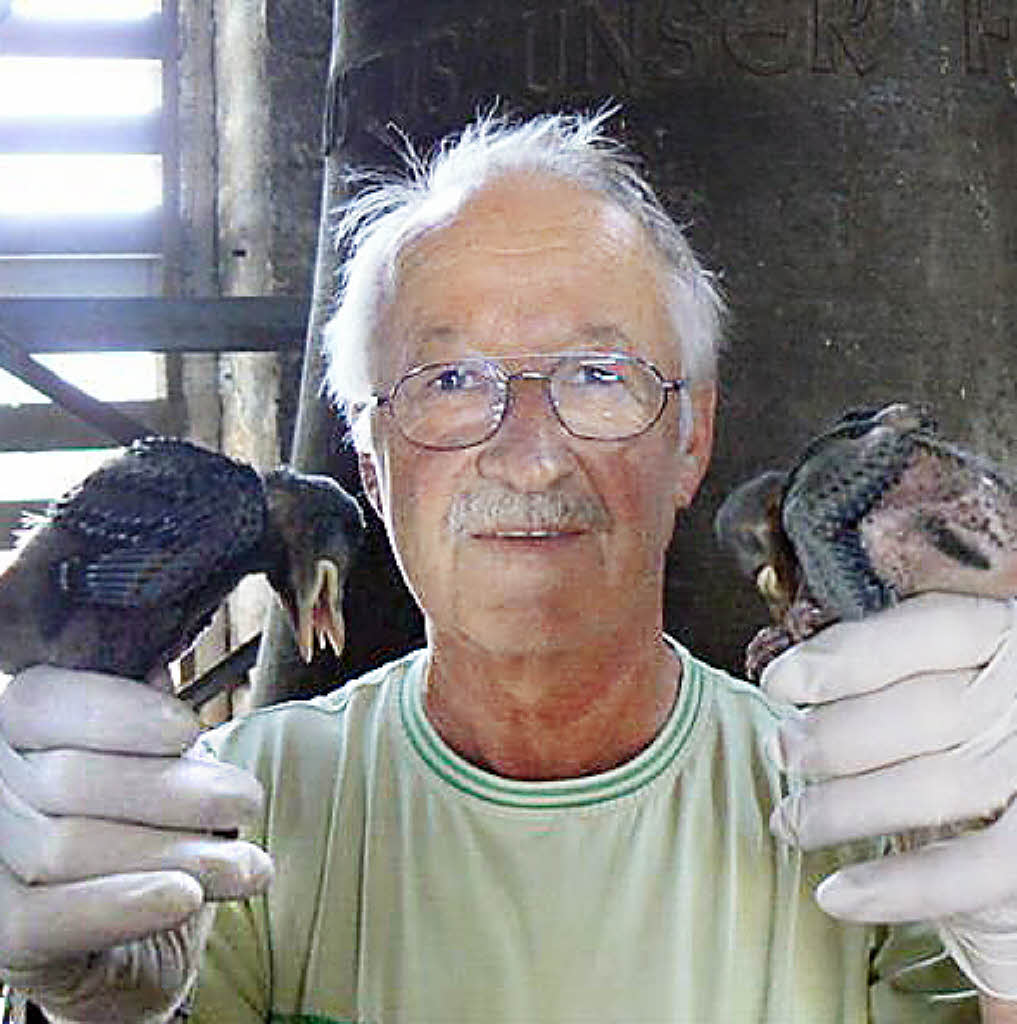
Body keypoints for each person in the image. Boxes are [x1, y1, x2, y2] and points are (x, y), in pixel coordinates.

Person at [2, 110, 1017, 1023]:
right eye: (450, 379)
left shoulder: (890, 812)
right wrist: (92, 1012)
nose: (530, 455)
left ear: (692, 439)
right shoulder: (224, 814)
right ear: (370, 458)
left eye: (599, 374)